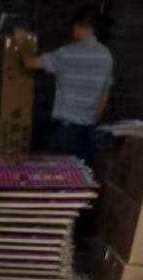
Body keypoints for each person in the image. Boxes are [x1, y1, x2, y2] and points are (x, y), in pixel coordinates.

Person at [15, 7, 113, 163]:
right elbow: (104, 95)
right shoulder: (106, 56)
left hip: (66, 131)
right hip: (88, 133)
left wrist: (21, 43)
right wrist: (91, 120)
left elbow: (29, 62)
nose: (72, 30)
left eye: (74, 26)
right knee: (81, 175)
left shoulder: (68, 53)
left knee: (58, 174)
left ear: (81, 26)